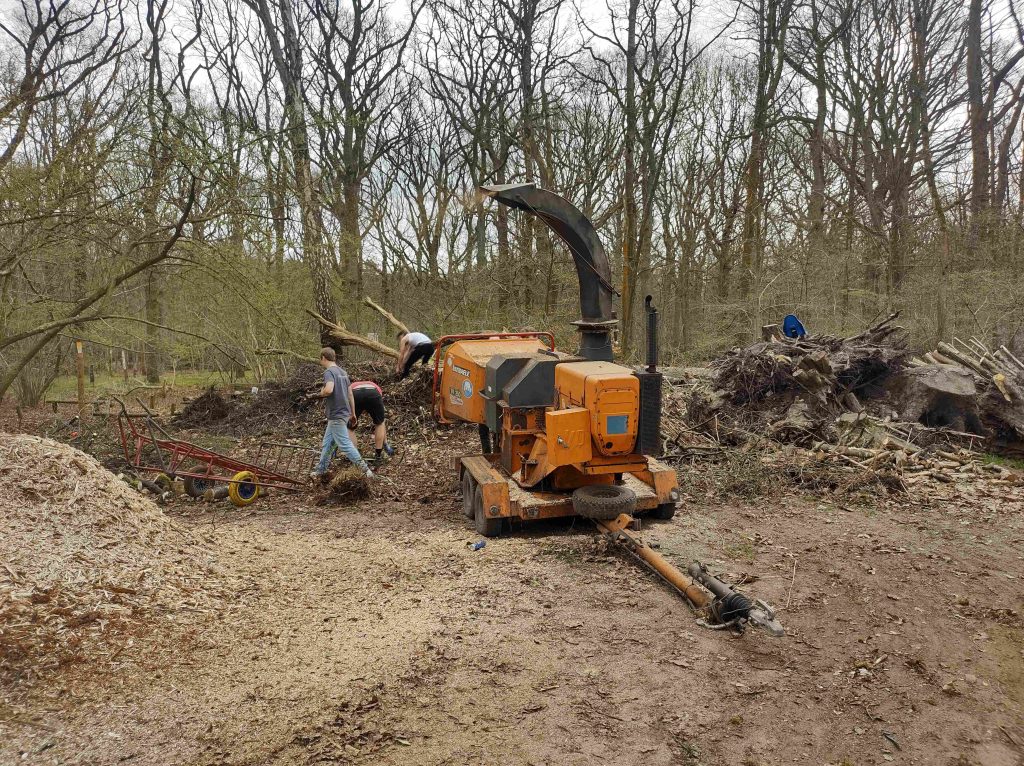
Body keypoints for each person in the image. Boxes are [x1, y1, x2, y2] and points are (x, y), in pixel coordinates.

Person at [308, 348, 373, 480]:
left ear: (323, 358)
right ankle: (321, 470)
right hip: (343, 413)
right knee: (327, 443)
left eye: (320, 359)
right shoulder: (343, 372)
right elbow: (350, 394)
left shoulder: (329, 372)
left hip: (336, 414)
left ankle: (366, 470)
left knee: (344, 444)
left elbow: (329, 390)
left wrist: (320, 393)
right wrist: (353, 413)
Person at [349, 379, 394, 463]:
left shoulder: (352, 386)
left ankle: (355, 457)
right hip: (373, 393)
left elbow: (348, 396)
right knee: (380, 423)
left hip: (355, 394)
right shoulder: (375, 387)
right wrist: (385, 443)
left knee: (350, 427)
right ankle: (378, 455)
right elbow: (381, 422)